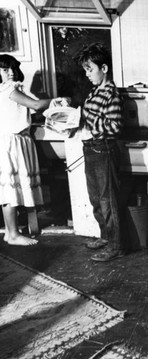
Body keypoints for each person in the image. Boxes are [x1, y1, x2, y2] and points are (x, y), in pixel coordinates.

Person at [0, 54, 67, 246]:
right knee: (10, 189)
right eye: (5, 69)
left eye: (13, 68)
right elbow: (36, 105)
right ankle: (13, 234)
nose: (11, 73)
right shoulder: (8, 89)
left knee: (9, 188)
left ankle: (10, 232)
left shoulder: (7, 90)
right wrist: (60, 100)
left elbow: (28, 109)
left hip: (13, 140)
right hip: (11, 143)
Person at [75, 43, 126, 262]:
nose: (87, 74)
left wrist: (86, 118)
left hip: (104, 149)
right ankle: (105, 237)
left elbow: (115, 127)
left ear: (104, 68)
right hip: (90, 148)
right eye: (85, 70)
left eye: (90, 69)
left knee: (108, 201)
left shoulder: (111, 93)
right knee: (96, 198)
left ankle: (116, 246)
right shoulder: (94, 92)